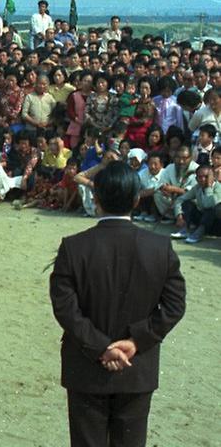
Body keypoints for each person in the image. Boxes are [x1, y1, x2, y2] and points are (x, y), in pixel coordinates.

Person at [50, 161, 186, 447]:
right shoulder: (159, 248)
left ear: (96, 199)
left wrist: (101, 346)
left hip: (85, 368)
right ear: (137, 199)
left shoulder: (74, 247)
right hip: (136, 368)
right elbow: (174, 305)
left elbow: (66, 308)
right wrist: (136, 341)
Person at [170, 164, 221, 243]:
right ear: (196, 179)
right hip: (202, 220)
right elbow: (180, 199)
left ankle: (199, 233)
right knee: (187, 203)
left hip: (216, 224)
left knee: (211, 208)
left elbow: (209, 204)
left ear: (213, 177)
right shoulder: (197, 187)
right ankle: (185, 229)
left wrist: (208, 187)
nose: (203, 179)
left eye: (206, 176)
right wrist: (179, 215)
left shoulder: (219, 188)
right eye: (199, 177)